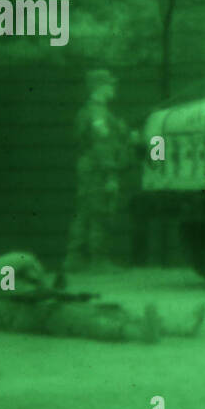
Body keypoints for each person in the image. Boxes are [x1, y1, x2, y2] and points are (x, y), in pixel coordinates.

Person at [0, 252, 204, 343]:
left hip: (41, 310)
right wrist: (37, 272)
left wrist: (50, 288)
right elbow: (17, 262)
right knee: (89, 322)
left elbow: (19, 291)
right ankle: (143, 335)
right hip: (39, 315)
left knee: (103, 311)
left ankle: (177, 328)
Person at [65, 69, 136, 274]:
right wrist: (111, 175)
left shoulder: (94, 112)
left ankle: (74, 259)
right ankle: (99, 260)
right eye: (110, 85)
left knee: (85, 212)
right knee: (101, 212)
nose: (113, 88)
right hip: (98, 168)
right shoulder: (98, 114)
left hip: (90, 167)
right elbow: (102, 144)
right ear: (99, 87)